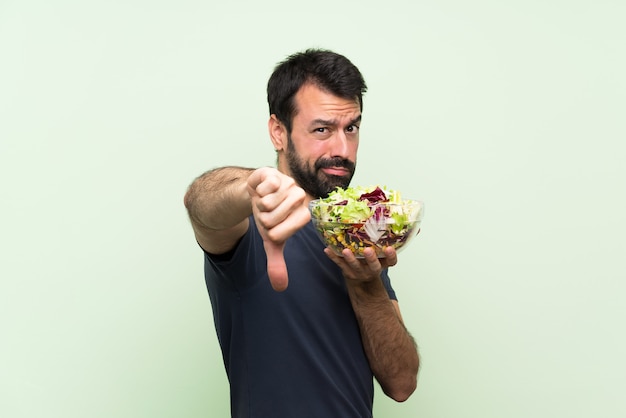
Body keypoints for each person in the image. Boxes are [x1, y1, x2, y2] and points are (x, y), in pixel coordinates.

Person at [184, 48, 419, 418]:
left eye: (351, 128)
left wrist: (366, 285)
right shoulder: (251, 225)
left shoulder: (356, 235)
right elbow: (200, 203)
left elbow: (401, 383)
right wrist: (251, 187)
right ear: (279, 131)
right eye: (322, 129)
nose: (341, 149)